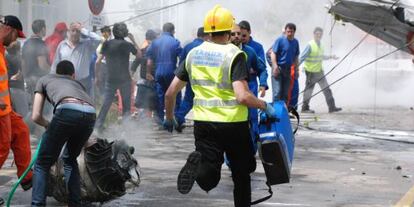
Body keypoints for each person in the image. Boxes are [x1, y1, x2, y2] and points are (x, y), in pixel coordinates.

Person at [163, 5, 276, 207]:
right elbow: (242, 96)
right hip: (234, 125)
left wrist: (169, 118)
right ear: (228, 31)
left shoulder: (193, 54)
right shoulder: (234, 54)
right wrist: (264, 106)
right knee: (242, 173)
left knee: (209, 179)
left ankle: (198, 168)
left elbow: (171, 93)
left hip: (204, 124)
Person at [31, 60, 96, 207]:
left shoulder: (44, 79)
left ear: (56, 72)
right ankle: (75, 203)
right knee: (70, 159)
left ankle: (37, 204)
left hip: (66, 110)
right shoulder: (78, 84)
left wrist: (48, 124)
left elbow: (35, 116)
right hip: (91, 114)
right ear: (73, 75)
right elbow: (82, 111)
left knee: (42, 163)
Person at [0, 15, 33, 205]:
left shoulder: (1, 50)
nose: (15, 41)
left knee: (21, 130)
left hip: (5, 109)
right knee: (2, 148)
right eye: (15, 36)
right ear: (9, 30)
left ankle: (27, 177)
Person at [95, 23, 140, 132]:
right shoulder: (127, 45)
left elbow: (97, 62)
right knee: (126, 105)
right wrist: (133, 40)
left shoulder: (107, 44)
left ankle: (98, 126)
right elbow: (139, 55)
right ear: (124, 33)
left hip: (111, 79)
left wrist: (97, 77)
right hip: (124, 79)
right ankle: (126, 128)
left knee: (106, 103)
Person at [230, 23, 268, 154]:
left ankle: (251, 151)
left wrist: (263, 84)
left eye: (238, 34)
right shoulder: (223, 52)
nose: (236, 36)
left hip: (249, 88)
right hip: (229, 94)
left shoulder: (250, 52)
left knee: (252, 121)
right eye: (233, 34)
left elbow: (262, 68)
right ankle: (230, 159)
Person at [146, 22, 182, 125]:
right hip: (171, 72)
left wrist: (148, 73)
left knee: (160, 95)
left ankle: (161, 120)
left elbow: (149, 62)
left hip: (159, 72)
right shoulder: (175, 42)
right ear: (172, 31)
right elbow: (182, 58)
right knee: (175, 94)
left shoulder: (155, 43)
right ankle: (175, 119)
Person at [174, 27, 210, 131]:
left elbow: (181, 63)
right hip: (205, 78)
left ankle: (178, 118)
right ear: (206, 36)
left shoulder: (188, 46)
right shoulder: (207, 47)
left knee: (188, 100)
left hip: (190, 77)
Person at [52, 22, 101, 96]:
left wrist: (83, 30)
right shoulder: (62, 45)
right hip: (66, 82)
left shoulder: (87, 45)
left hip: (83, 83)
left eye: (77, 31)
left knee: (84, 105)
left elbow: (98, 39)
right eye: (73, 30)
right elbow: (55, 64)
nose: (75, 33)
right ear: (69, 32)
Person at [299, 27, 341, 113]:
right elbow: (302, 57)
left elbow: (321, 56)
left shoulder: (321, 45)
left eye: (320, 34)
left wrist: (331, 56)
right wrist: (295, 67)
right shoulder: (310, 45)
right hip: (310, 72)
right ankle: (305, 108)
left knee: (327, 89)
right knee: (309, 90)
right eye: (317, 34)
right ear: (314, 34)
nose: (319, 36)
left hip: (319, 71)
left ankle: (332, 107)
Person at [131, 29, 159, 120]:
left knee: (143, 106)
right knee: (154, 105)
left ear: (146, 39)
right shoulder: (158, 50)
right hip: (154, 81)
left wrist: (130, 76)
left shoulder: (143, 50)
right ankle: (155, 120)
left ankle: (144, 121)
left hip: (143, 82)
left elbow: (134, 65)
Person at [270, 23, 300, 103]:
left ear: (294, 32)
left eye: (291, 32)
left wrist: (296, 70)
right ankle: (276, 113)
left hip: (288, 70)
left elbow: (296, 57)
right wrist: (275, 66)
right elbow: (273, 53)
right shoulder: (280, 40)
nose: (289, 34)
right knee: (277, 92)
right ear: (285, 31)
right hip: (278, 68)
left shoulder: (295, 42)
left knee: (285, 93)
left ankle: (283, 112)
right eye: (288, 31)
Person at [21, 19, 50, 101]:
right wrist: (51, 72)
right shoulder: (40, 44)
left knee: (30, 105)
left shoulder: (26, 43)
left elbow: (23, 63)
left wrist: (25, 76)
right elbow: (42, 64)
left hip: (28, 79)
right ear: (43, 29)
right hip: (38, 80)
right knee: (39, 106)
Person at [6, 41, 29, 117]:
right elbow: (21, 74)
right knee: (23, 114)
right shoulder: (18, 58)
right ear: (18, 49)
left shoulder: (5, 57)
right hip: (17, 89)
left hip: (8, 90)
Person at [94, 25, 111, 100]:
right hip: (100, 65)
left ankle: (105, 102)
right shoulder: (101, 40)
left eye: (105, 32)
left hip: (107, 65)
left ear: (109, 32)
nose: (104, 34)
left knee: (106, 86)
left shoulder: (110, 41)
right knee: (100, 84)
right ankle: (101, 100)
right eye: (102, 32)